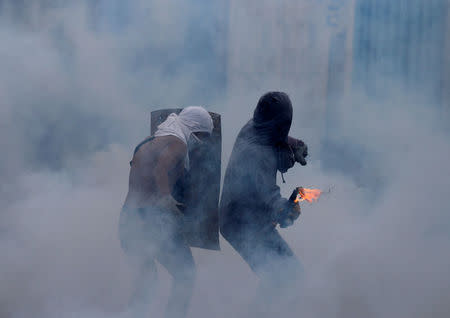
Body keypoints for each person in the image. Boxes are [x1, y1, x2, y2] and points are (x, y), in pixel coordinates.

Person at [119, 106, 213, 318]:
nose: (202, 142)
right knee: (186, 275)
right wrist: (165, 198)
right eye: (202, 136)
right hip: (150, 222)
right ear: (194, 128)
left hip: (128, 223)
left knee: (147, 283)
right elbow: (160, 168)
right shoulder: (177, 143)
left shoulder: (151, 140)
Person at [219, 92, 308, 312]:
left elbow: (275, 134)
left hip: (243, 214)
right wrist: (286, 210)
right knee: (288, 275)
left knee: (280, 277)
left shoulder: (255, 125)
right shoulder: (256, 155)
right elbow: (269, 196)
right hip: (241, 222)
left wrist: (293, 143)